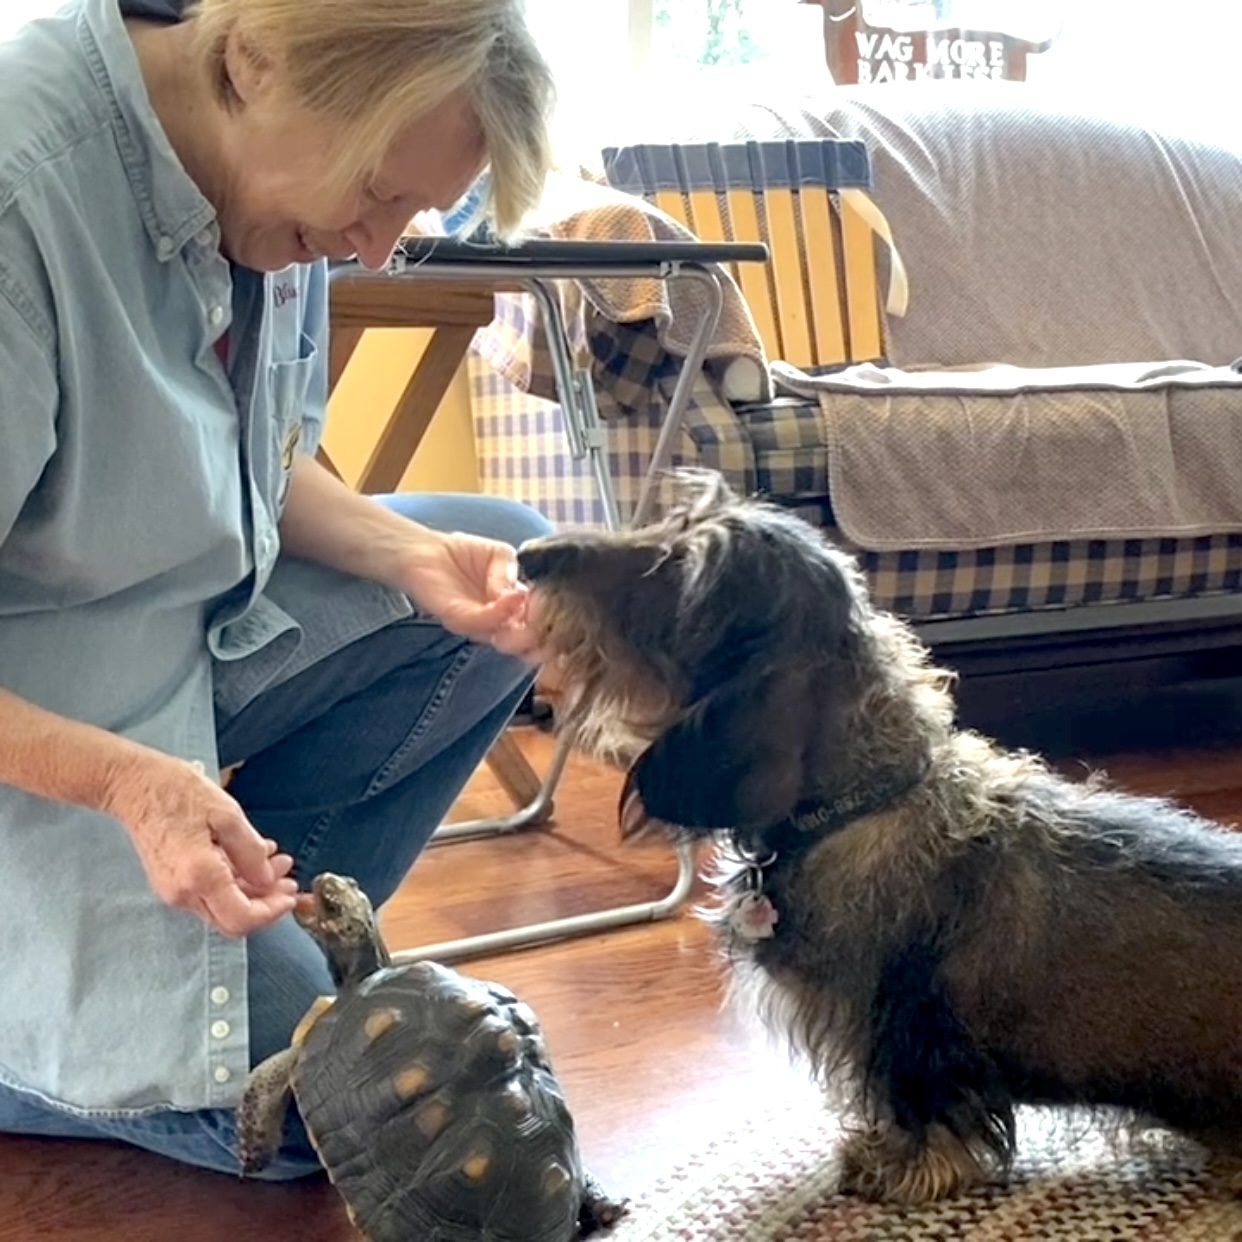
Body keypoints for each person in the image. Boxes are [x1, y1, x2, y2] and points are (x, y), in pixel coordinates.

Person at [0, 0, 557, 1178]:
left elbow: (250, 462)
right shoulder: (19, 193)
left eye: (410, 215)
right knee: (325, 1116)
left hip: (166, 650)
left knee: (497, 568)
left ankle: (277, 946)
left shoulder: (268, 176)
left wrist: (404, 555)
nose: (371, 249)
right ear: (251, 58)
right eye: (376, 198)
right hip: (43, 735)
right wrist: (127, 788)